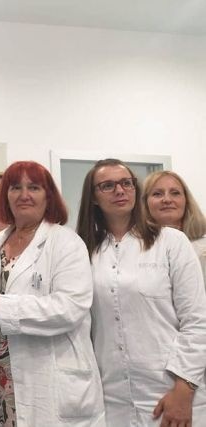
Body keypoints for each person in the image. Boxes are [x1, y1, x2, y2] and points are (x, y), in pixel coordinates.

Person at [0, 160, 105, 426]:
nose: (24, 195)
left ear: (48, 196)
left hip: (50, 379)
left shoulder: (66, 243)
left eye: (34, 187)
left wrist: (0, 305)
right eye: (15, 187)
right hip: (2, 379)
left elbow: (70, 308)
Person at [76, 158, 206, 426]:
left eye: (127, 183)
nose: (120, 190)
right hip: (111, 398)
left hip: (171, 392)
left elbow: (197, 321)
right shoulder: (85, 251)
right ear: (93, 198)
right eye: (108, 186)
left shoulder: (171, 242)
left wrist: (184, 389)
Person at [143, 170, 206, 282]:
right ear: (145, 203)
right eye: (157, 194)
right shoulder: (135, 247)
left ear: (186, 200)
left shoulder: (203, 248)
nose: (167, 200)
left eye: (175, 193)